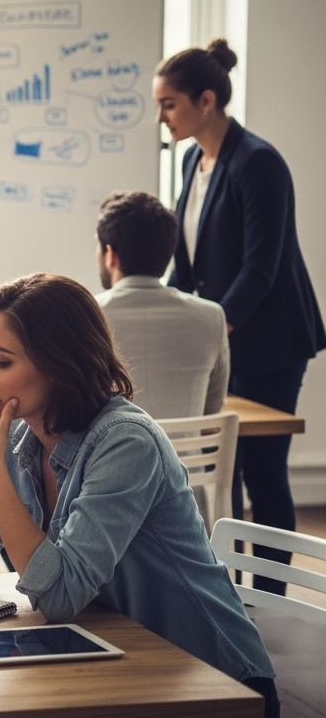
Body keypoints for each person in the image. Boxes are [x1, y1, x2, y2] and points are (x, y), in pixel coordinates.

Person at [0, 274, 278, 716]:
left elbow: (59, 596)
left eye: (0, 361)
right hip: (120, 653)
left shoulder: (124, 442)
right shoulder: (22, 434)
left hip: (214, 678)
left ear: (59, 364)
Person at [157, 39, 325, 594]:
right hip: (221, 338)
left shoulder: (258, 161)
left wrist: (206, 330)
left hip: (270, 340)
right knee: (225, 467)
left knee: (262, 470)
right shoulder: (192, 158)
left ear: (207, 100)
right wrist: (162, 311)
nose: (161, 117)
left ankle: (267, 596)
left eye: (169, 105)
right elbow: (189, 263)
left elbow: (262, 268)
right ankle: (231, 591)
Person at [94, 190, 229, 420]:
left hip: (113, 456)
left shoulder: (87, 315)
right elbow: (211, 409)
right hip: (185, 457)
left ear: (110, 255)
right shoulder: (212, 316)